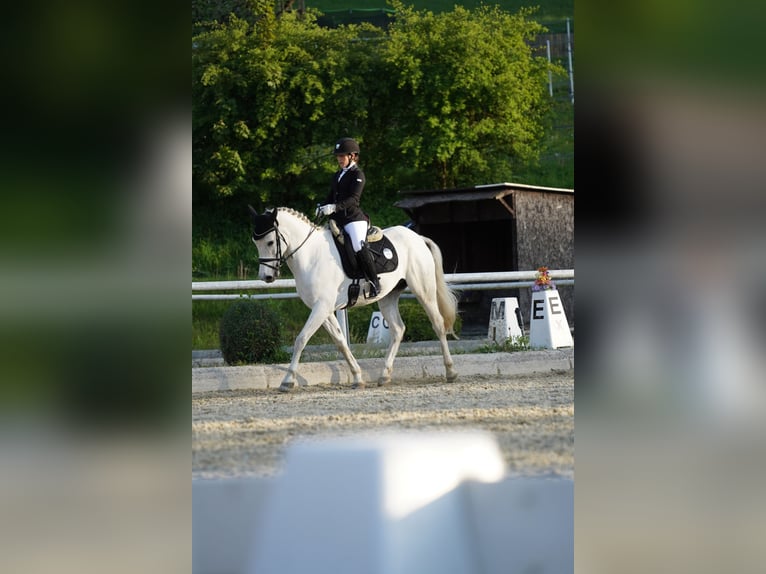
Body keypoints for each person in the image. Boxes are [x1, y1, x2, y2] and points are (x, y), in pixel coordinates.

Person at [316, 137, 381, 296]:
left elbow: (354, 199)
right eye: (338, 156)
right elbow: (331, 196)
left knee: (359, 246)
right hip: (338, 219)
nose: (339, 159)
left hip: (353, 219)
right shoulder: (338, 175)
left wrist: (334, 207)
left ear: (352, 156)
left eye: (342, 156)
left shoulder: (357, 174)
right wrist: (322, 206)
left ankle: (374, 282)